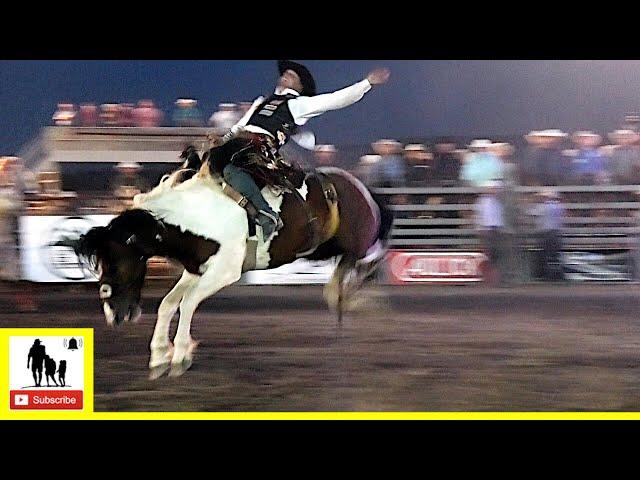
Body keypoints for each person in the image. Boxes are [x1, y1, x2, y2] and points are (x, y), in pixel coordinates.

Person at [207, 60, 390, 241]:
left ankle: (266, 214)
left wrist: (366, 83)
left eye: (291, 75)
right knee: (207, 163)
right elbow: (241, 125)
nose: (285, 76)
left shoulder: (299, 104)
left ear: (300, 85)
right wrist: (222, 140)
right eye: (285, 73)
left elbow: (335, 99)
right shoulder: (262, 102)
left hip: (260, 148)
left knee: (231, 168)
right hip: (238, 144)